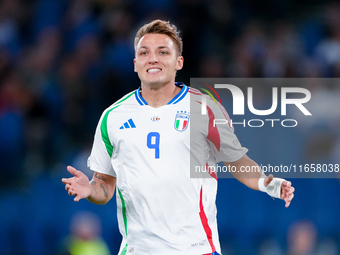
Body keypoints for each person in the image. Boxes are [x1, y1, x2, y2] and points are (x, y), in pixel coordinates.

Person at [62, 19, 295, 255]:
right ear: (135, 64)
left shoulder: (204, 107)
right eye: (144, 52)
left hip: (196, 249)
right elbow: (105, 186)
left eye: (163, 52)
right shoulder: (112, 117)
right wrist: (91, 190)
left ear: (179, 62)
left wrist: (268, 184)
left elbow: (238, 162)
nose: (153, 58)